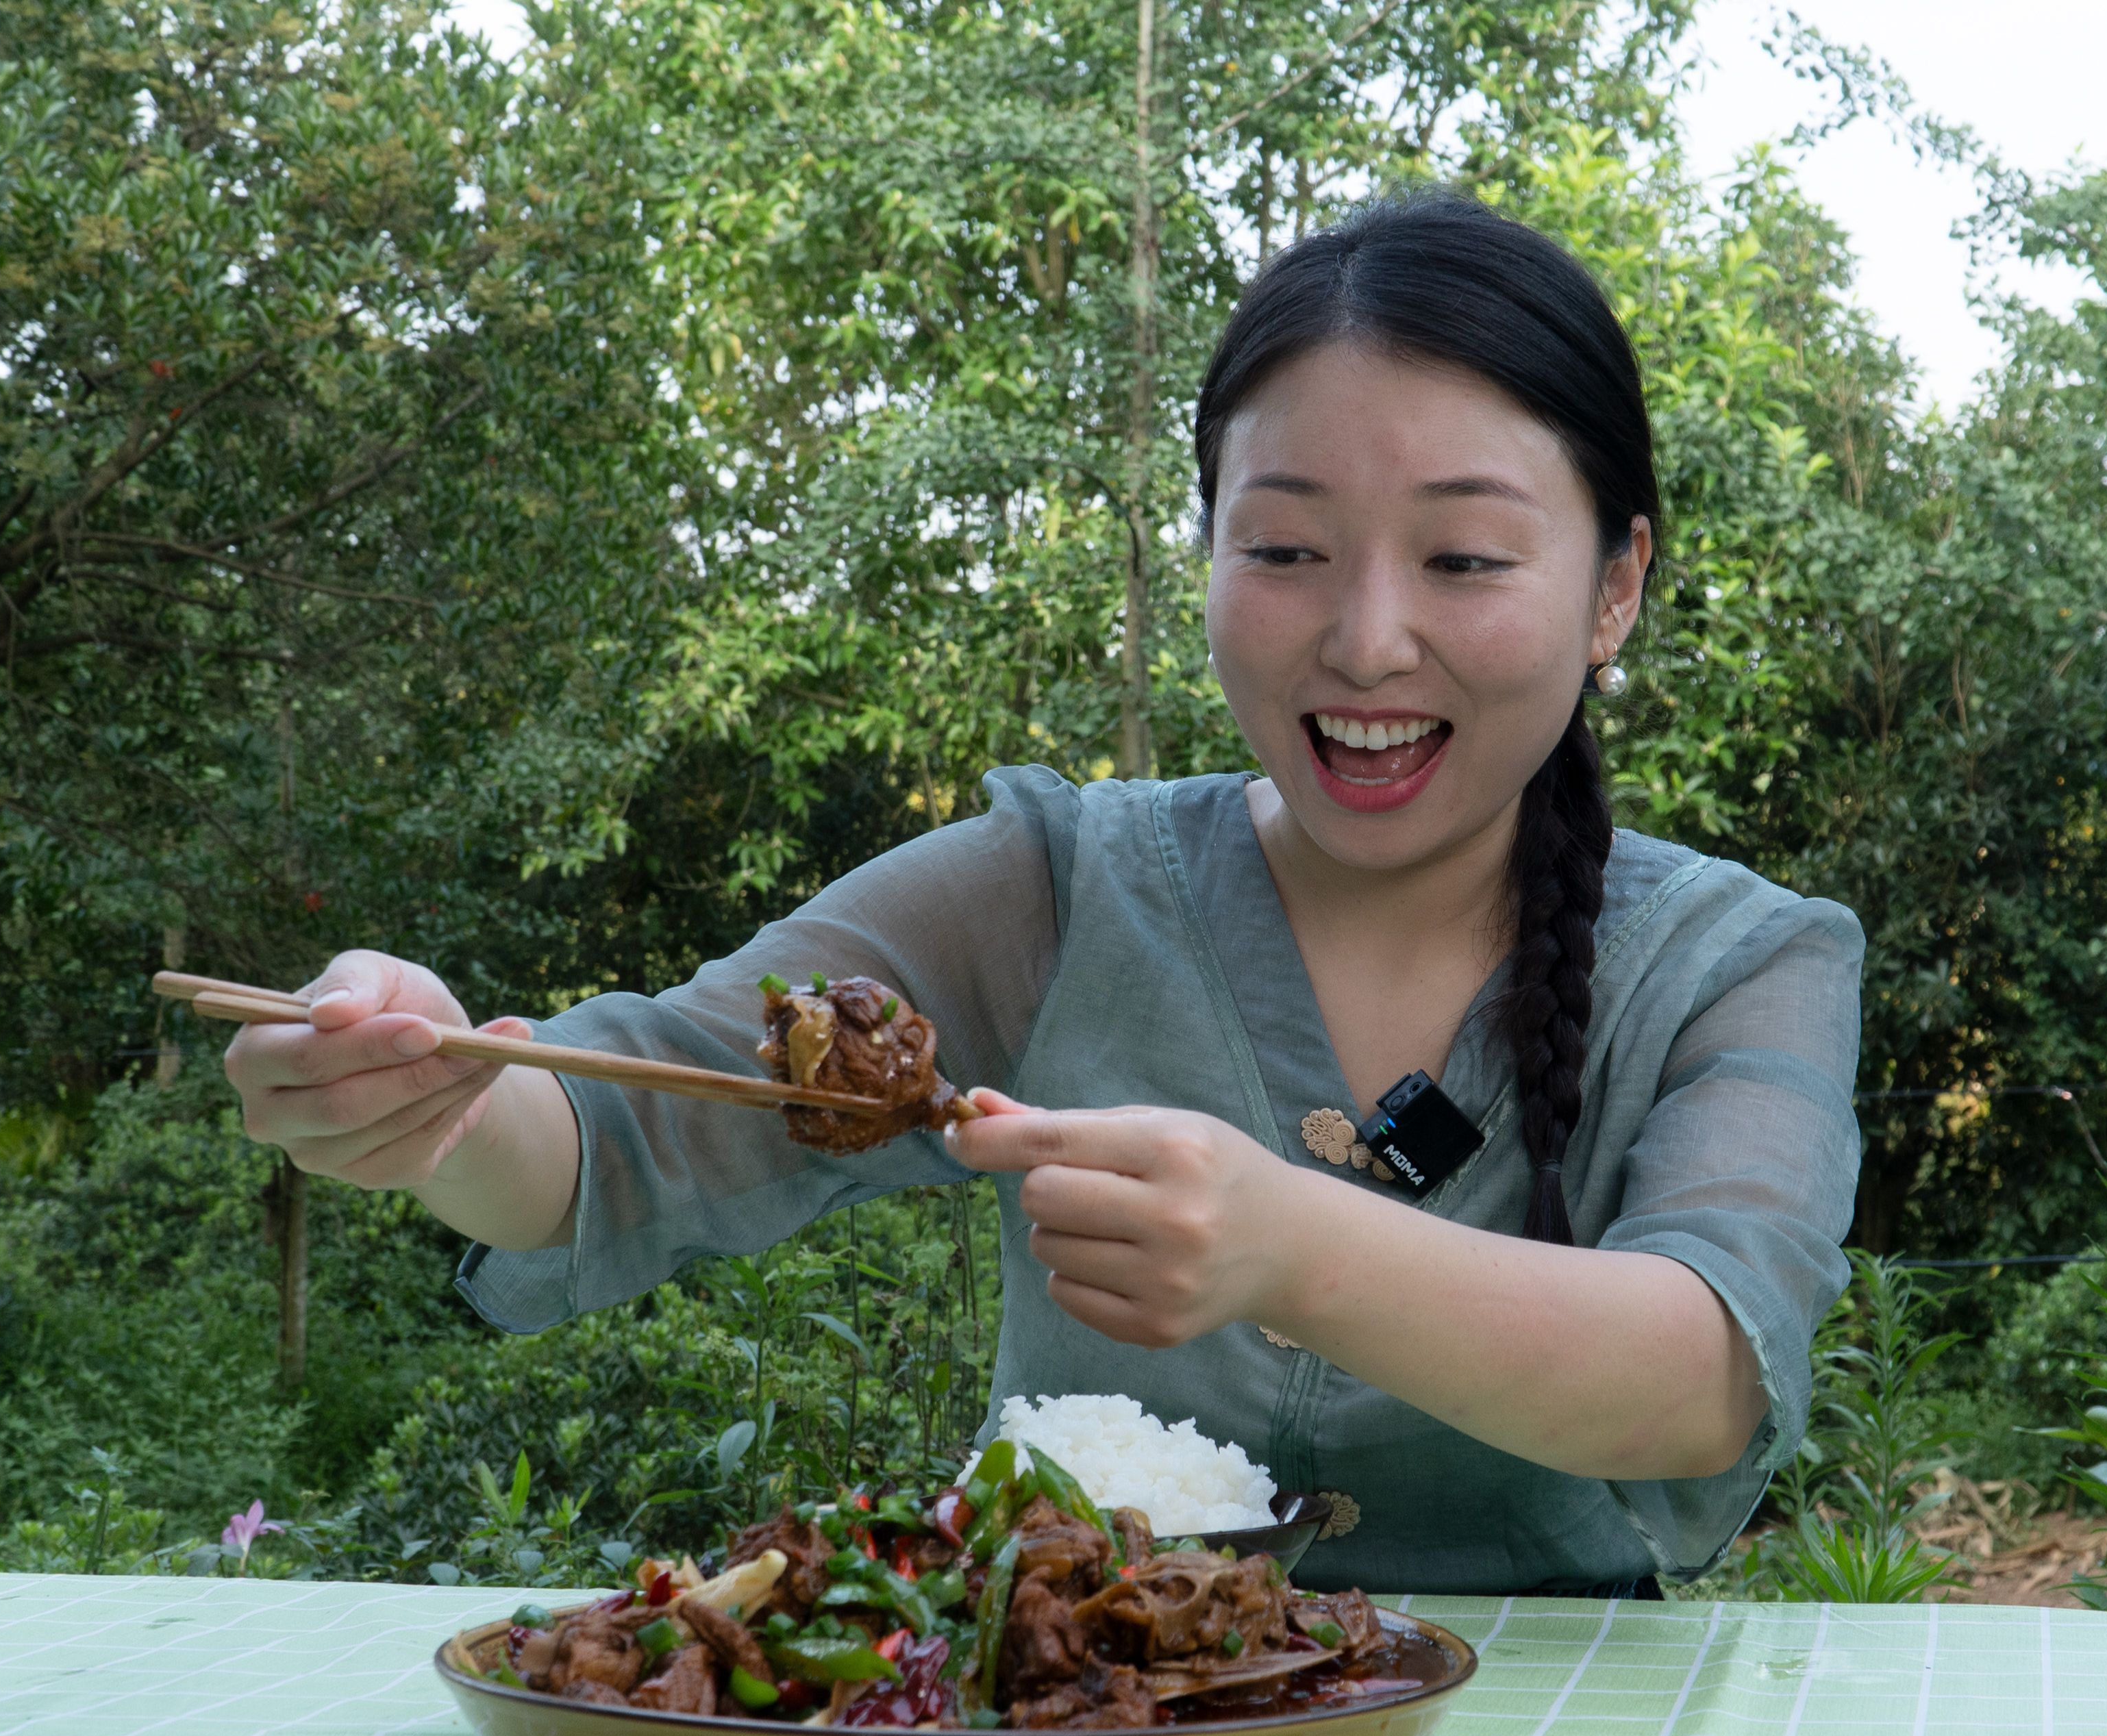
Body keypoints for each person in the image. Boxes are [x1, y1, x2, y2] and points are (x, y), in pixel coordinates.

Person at [223, 195, 1863, 1597]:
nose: (1366, 641)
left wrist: (1289, 1244)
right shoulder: (1054, 885)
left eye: (1464, 560)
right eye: (1285, 549)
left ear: (1615, 586)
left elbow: (1705, 1375)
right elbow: (632, 1127)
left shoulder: (1743, 963)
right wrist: (437, 1110)